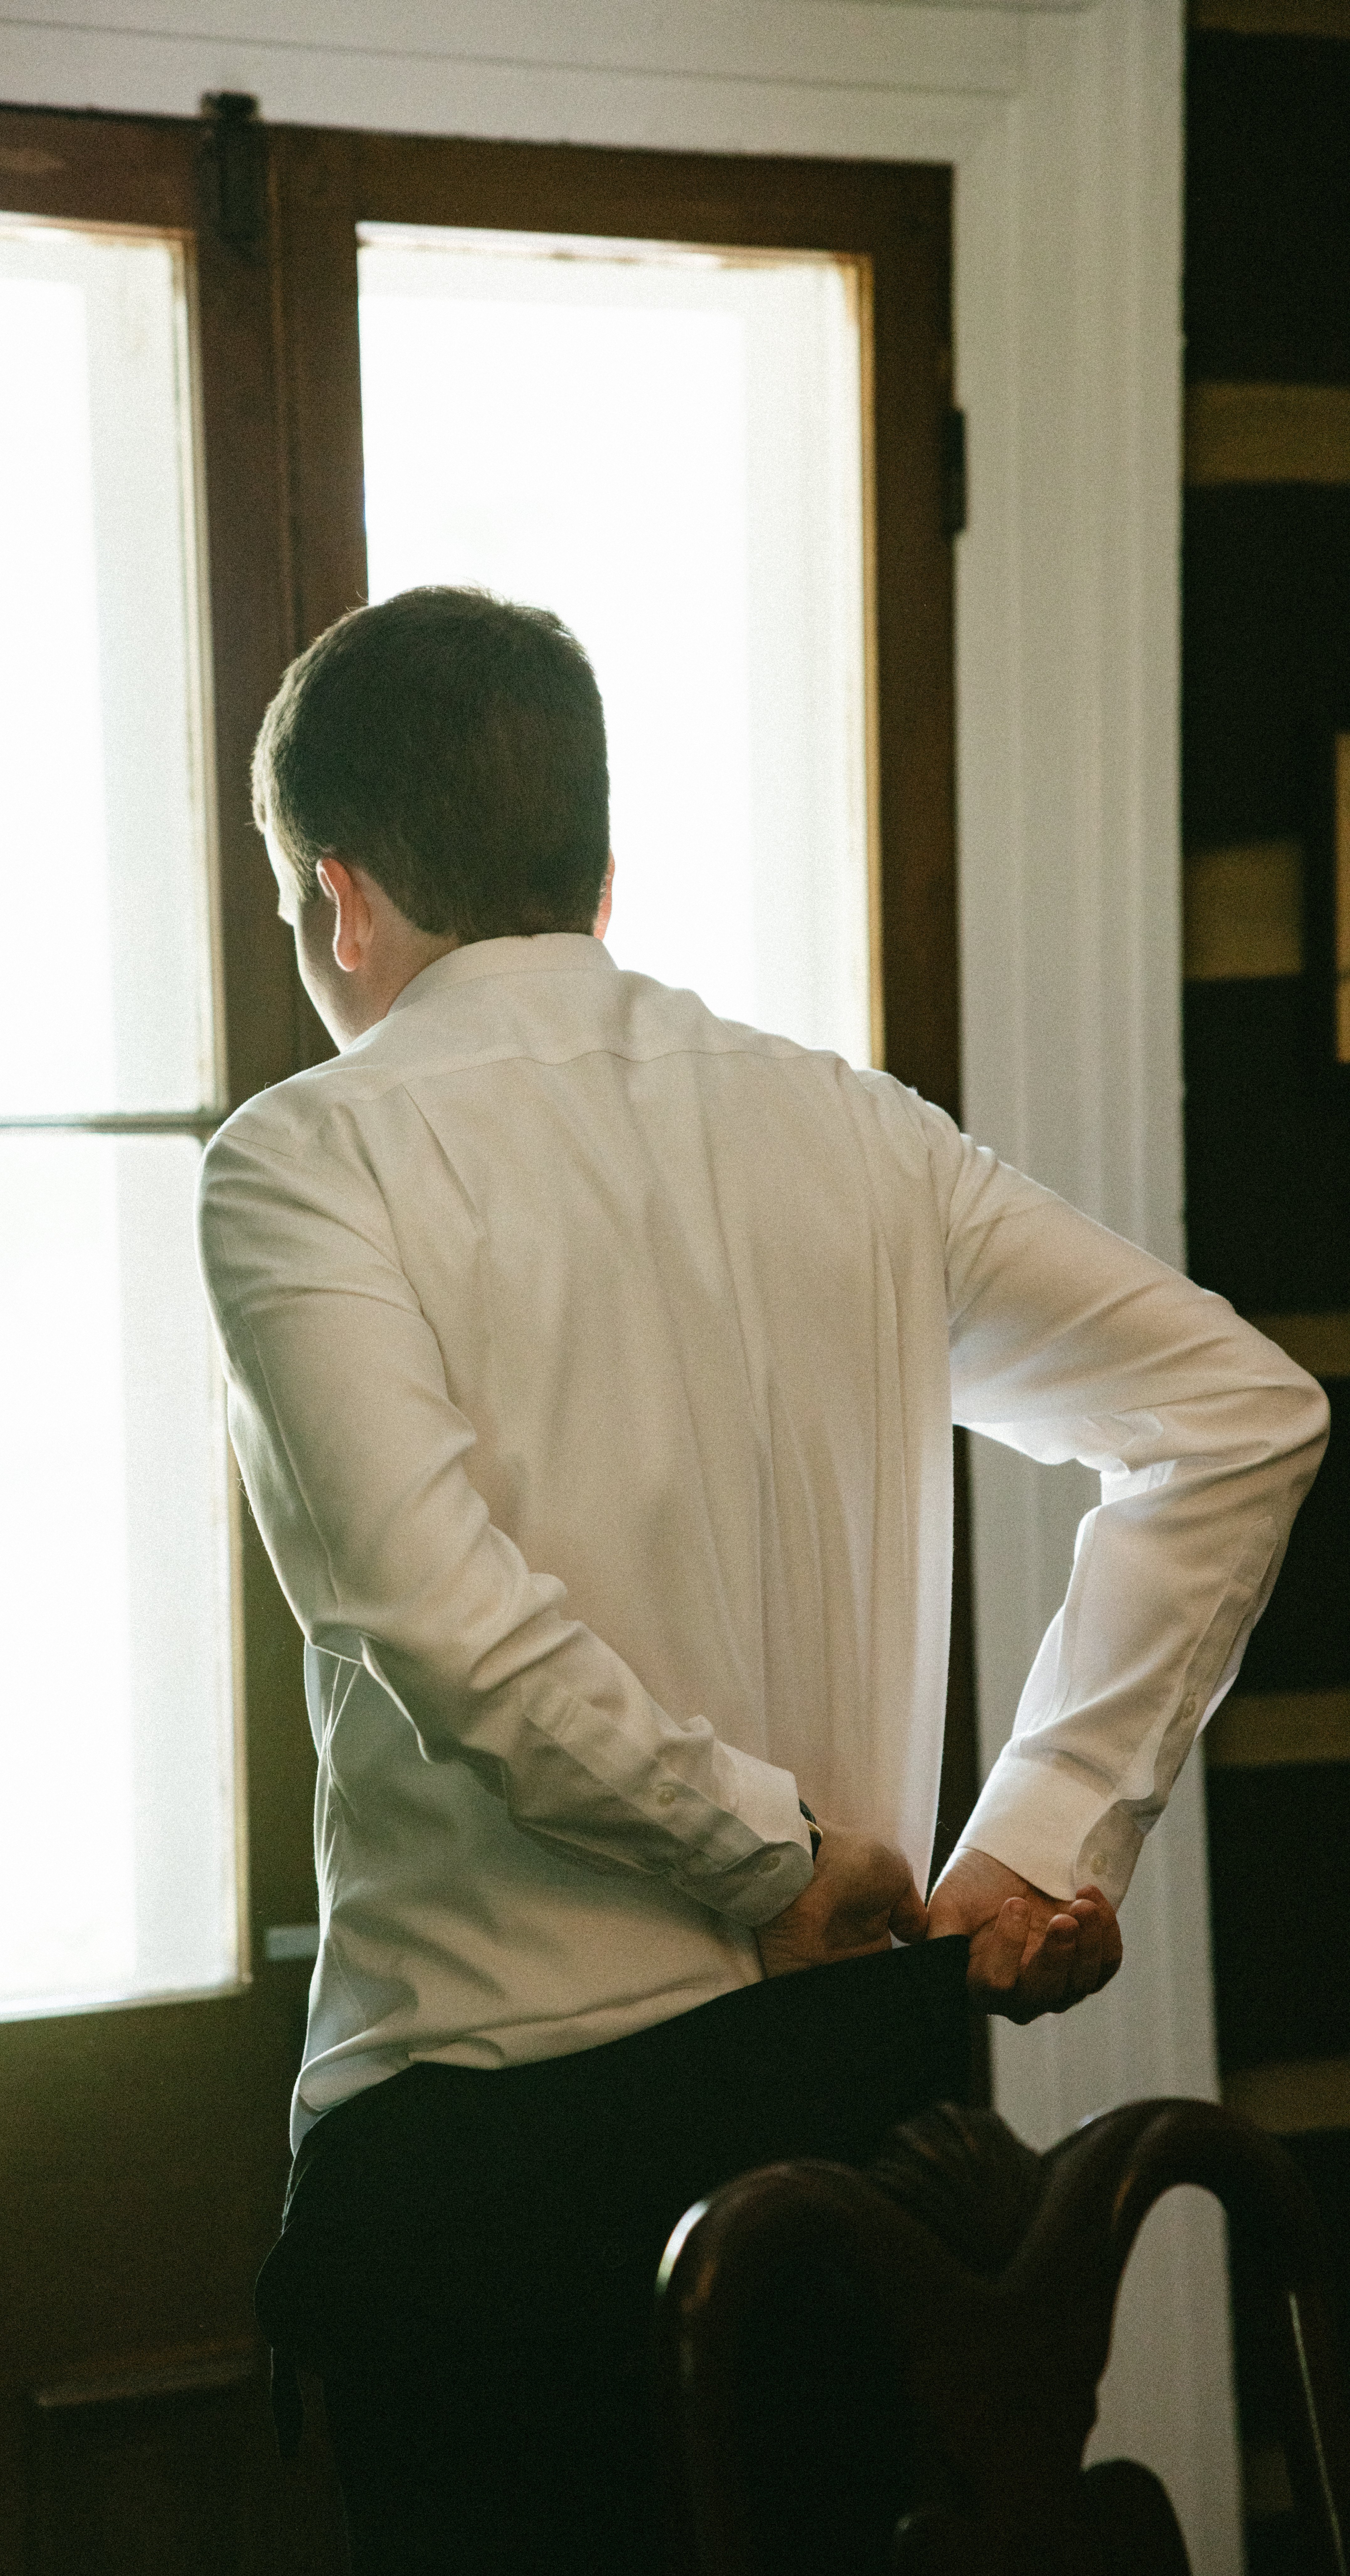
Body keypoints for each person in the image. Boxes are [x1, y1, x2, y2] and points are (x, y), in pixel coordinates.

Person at [197, 587, 1326, 2574]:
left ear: (341, 901)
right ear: (599, 871)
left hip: (501, 2184)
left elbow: (440, 1618)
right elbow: (1234, 1413)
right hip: (859, 2134)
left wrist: (759, 1855)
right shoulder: (851, 1130)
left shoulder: (311, 1161)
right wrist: (1053, 1827)